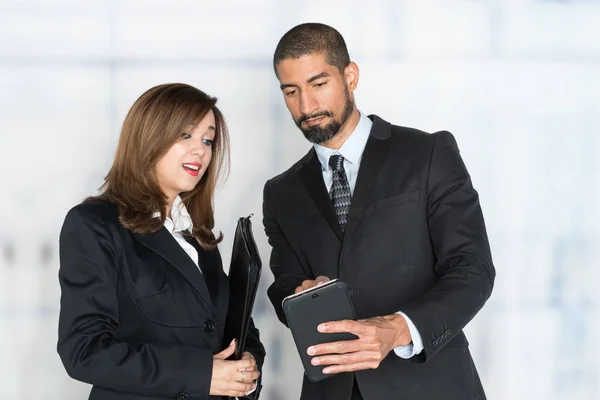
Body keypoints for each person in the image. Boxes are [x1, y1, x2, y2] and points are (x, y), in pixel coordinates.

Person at [263, 23, 495, 400]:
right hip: (333, 389)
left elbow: (473, 270)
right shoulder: (280, 192)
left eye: (318, 84)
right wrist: (300, 294)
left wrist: (398, 329)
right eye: (291, 91)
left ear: (350, 76)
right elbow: (285, 286)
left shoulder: (428, 154)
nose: (306, 107)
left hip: (431, 384)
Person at [57, 83, 265, 400]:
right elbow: (84, 350)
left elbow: (233, 327)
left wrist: (249, 364)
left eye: (208, 140)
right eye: (186, 136)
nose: (201, 150)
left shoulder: (198, 235)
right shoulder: (94, 224)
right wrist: (201, 375)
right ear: (149, 137)